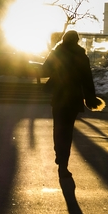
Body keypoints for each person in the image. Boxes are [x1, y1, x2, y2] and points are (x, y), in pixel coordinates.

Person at [42, 30, 100, 178]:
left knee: (58, 128)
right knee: (67, 131)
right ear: (77, 41)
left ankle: (58, 153)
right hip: (74, 99)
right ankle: (63, 163)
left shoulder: (57, 53)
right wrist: (90, 99)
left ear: (63, 39)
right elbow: (87, 80)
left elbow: (44, 70)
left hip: (59, 97)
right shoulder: (82, 56)